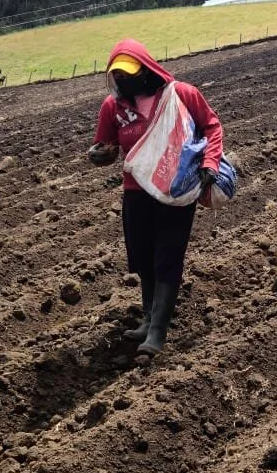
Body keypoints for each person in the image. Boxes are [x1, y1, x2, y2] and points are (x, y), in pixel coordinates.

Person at [86, 39, 224, 357]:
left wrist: (210, 163)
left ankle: (159, 330)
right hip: (136, 191)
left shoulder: (180, 95)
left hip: (174, 190)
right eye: (118, 76)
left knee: (167, 257)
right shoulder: (113, 108)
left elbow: (212, 127)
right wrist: (99, 155)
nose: (124, 81)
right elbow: (108, 148)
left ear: (146, 68)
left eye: (130, 74)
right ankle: (148, 319)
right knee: (143, 256)